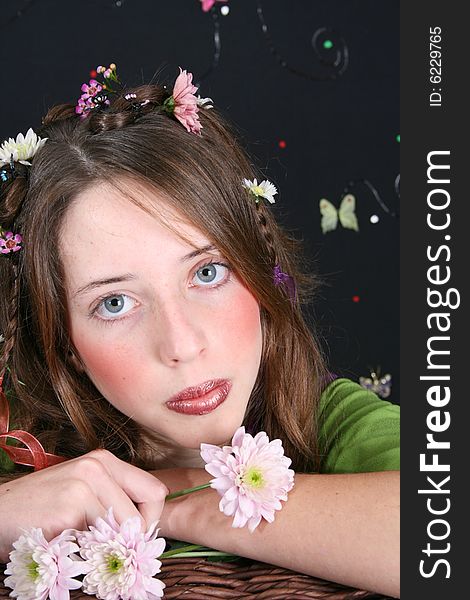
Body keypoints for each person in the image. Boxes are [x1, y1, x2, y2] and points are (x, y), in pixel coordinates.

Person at [0, 64, 399, 597]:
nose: (183, 345)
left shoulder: (334, 422)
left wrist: (181, 500)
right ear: (65, 343)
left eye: (207, 273)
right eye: (114, 303)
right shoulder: (17, 446)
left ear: (258, 271)